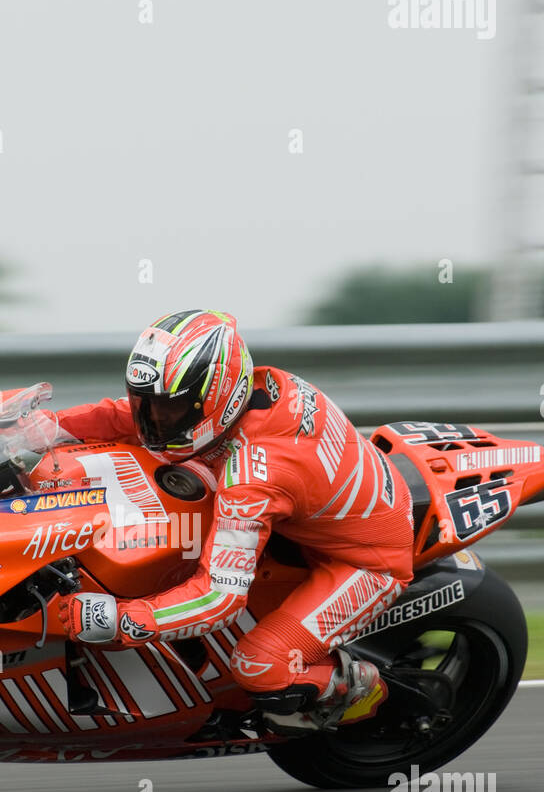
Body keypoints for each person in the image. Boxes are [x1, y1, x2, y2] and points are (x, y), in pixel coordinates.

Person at [56, 310, 414, 728]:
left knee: (260, 665)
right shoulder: (253, 385)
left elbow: (219, 600)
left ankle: (362, 692)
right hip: (321, 508)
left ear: (215, 398)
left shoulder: (254, 477)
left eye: (168, 410)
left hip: (365, 560)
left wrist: (121, 620)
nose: (153, 421)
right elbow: (123, 419)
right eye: (147, 403)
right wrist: (41, 427)